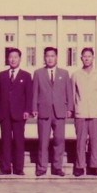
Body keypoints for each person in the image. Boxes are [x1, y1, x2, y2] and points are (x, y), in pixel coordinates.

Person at [31, 47, 73, 177]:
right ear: (44, 58)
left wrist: (69, 108)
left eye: (52, 56)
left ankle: (57, 167)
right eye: (47, 56)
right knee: (43, 141)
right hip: (44, 110)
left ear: (56, 57)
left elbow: (69, 92)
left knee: (59, 140)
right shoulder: (38, 73)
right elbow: (35, 92)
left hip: (59, 111)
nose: (50, 59)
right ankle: (42, 167)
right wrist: (34, 108)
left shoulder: (64, 73)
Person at [0, 48, 33, 176]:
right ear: (8, 59)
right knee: (5, 141)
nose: (13, 60)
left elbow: (29, 95)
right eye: (11, 57)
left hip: (19, 114)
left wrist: (27, 110)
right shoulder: (2, 75)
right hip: (4, 113)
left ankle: (18, 168)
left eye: (15, 57)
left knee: (19, 141)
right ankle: (5, 168)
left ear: (20, 59)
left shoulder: (26, 75)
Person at [71, 47, 97, 177]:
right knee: (80, 141)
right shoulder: (76, 75)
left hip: (95, 113)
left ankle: (94, 166)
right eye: (84, 56)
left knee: (95, 141)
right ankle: (79, 166)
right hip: (80, 112)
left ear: (93, 58)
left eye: (89, 56)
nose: (87, 58)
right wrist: (74, 109)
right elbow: (73, 94)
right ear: (81, 58)